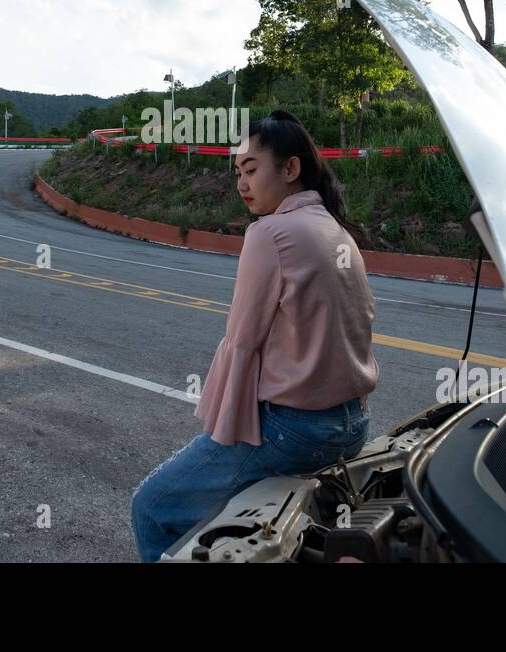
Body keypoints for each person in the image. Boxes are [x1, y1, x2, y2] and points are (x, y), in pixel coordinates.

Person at [130, 108, 379, 562]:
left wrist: (223, 428)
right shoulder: (336, 229)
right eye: (237, 172)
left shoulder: (270, 232)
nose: (241, 184)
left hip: (296, 431)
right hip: (353, 424)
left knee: (152, 507)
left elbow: (242, 340)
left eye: (251, 169)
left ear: (290, 169)